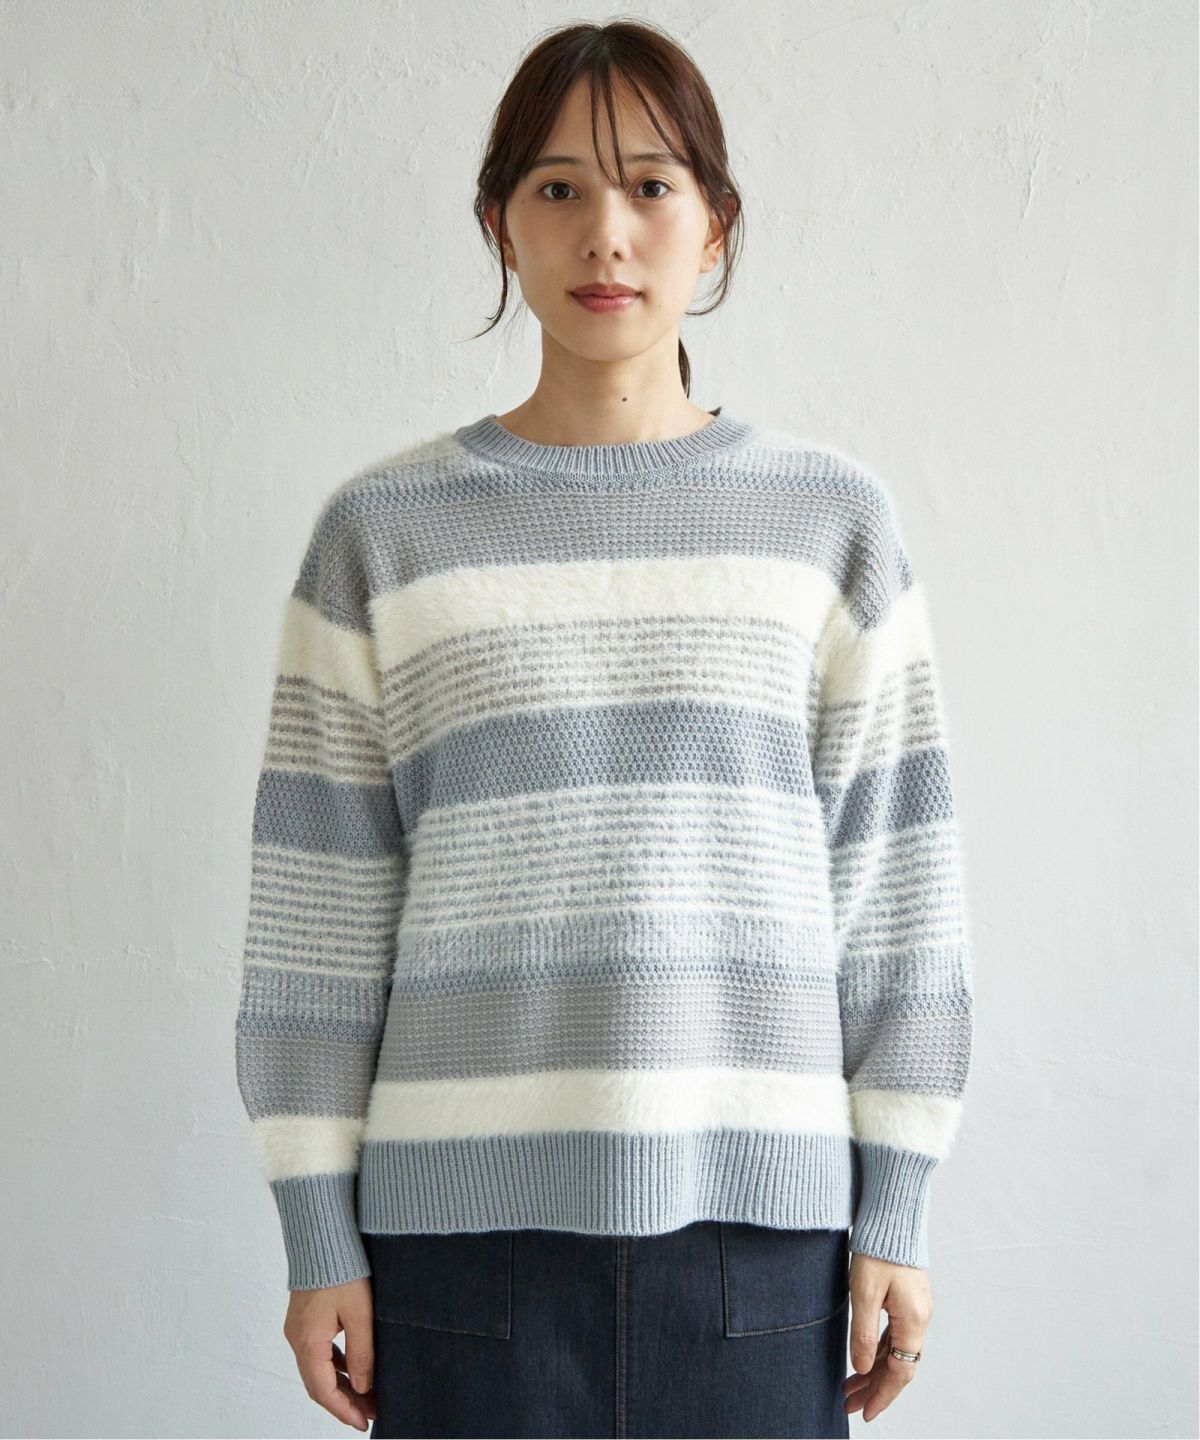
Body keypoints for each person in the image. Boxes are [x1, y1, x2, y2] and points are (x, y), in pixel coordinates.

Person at [233, 19, 974, 1439]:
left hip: (764, 1245)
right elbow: (316, 919)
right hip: (461, 1252)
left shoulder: (830, 524)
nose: (607, 234)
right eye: (559, 188)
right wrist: (317, 1234)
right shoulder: (381, 535)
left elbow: (897, 895)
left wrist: (898, 1209)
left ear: (716, 223)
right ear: (499, 225)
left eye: (651, 186)